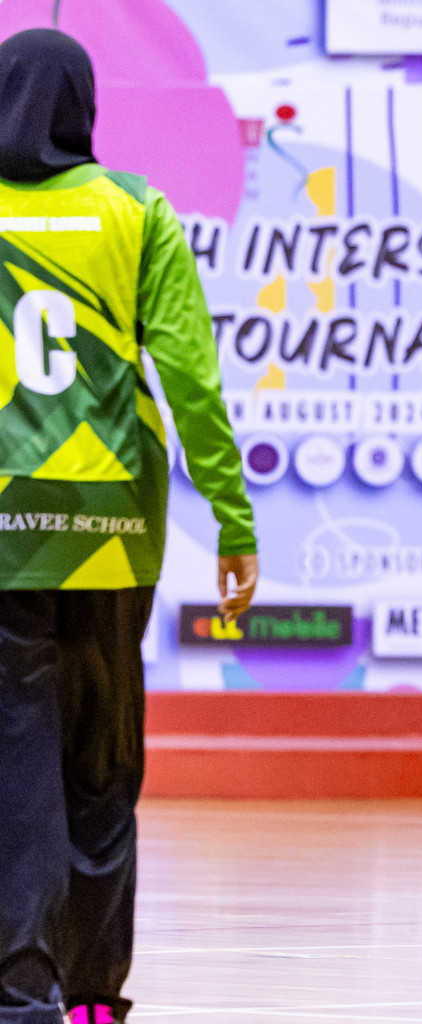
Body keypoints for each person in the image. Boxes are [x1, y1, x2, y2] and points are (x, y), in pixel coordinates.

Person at [0, 28, 258, 1024]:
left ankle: (22, 990)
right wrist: (233, 521)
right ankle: (99, 993)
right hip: (108, 525)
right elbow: (191, 380)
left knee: (14, 759)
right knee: (101, 759)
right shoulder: (134, 208)